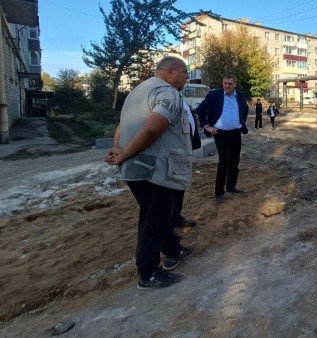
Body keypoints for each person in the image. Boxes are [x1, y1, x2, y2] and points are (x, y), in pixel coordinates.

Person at [105, 56, 194, 290]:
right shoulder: (167, 93)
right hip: (156, 170)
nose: (187, 77)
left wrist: (117, 148)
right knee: (153, 221)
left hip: (138, 169)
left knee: (163, 215)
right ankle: (148, 273)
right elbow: (152, 129)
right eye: (184, 72)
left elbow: (122, 125)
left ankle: (174, 250)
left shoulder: (138, 91)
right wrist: (122, 154)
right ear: (172, 72)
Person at [196, 74, 249, 204]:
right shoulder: (214, 95)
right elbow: (200, 110)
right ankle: (219, 193)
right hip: (220, 133)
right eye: (225, 83)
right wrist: (207, 126)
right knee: (224, 161)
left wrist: (241, 122)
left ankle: (231, 186)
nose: (227, 86)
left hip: (236, 132)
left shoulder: (241, 95)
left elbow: (245, 109)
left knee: (234, 160)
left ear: (235, 84)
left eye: (230, 84)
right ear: (222, 83)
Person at [172, 100, 200, 229]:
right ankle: (169, 224)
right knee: (172, 188)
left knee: (179, 186)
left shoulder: (180, 97)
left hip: (183, 149)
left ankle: (176, 218)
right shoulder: (167, 97)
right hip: (174, 151)